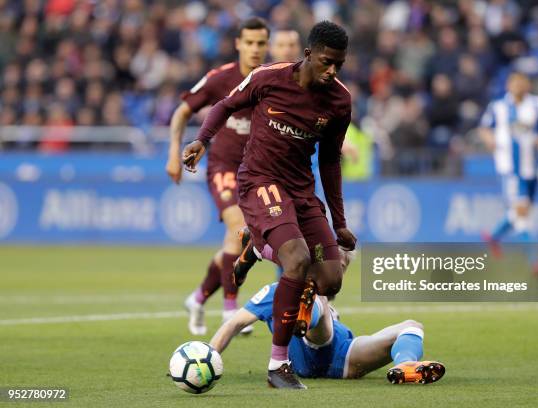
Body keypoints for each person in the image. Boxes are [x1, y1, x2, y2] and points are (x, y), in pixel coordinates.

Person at [182, 21, 357, 389]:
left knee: (330, 280)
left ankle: (258, 247)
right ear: (308, 54)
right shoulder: (269, 78)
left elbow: (329, 161)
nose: (332, 71)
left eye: (339, 64)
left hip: (301, 191)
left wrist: (338, 221)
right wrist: (201, 140)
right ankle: (279, 365)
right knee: (296, 259)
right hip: (260, 181)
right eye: (327, 62)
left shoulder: (340, 101)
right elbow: (225, 105)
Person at [165, 17, 269, 336]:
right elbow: (182, 112)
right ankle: (230, 310)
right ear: (238, 44)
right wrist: (173, 153)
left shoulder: (272, 79)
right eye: (249, 42)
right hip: (223, 167)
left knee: (237, 242)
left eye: (260, 43)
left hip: (256, 172)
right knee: (239, 230)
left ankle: (197, 299)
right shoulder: (220, 78)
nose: (254, 49)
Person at [209, 273, 446, 385]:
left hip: (341, 355)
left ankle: (405, 365)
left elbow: (234, 324)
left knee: (411, 326)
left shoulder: (278, 290)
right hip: (331, 354)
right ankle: (306, 316)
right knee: (320, 302)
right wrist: (208, 356)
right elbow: (234, 323)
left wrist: (208, 357)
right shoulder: (276, 291)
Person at [479, 73, 538, 273]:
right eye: (514, 83)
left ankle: (493, 236)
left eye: (522, 82)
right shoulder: (498, 107)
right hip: (509, 168)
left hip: (531, 167)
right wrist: (489, 139)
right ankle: (535, 262)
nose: (518, 86)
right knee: (521, 212)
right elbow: (484, 128)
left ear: (528, 85)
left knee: (520, 212)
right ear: (508, 85)